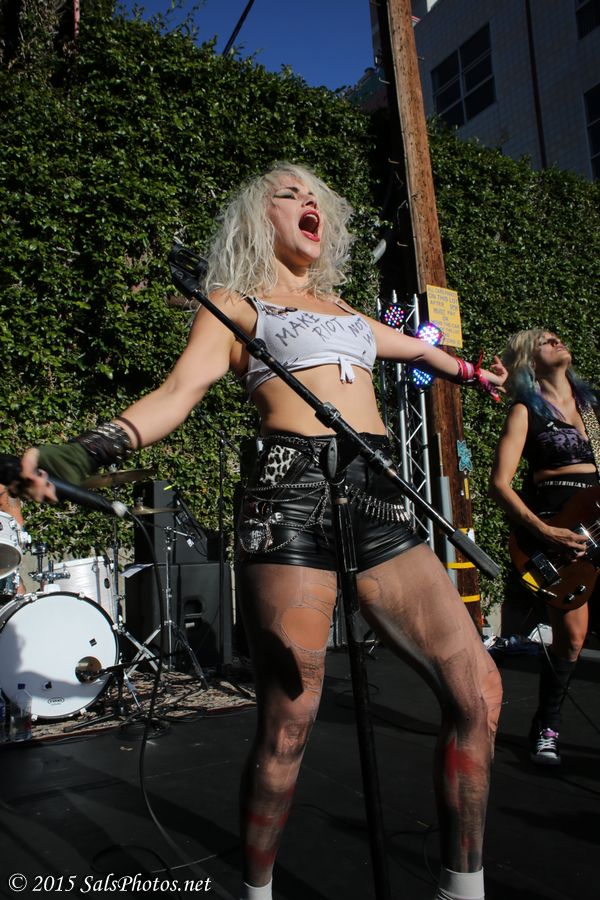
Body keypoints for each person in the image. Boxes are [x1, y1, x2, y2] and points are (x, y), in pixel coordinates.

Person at [16, 163, 503, 900]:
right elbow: (177, 392)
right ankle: (258, 890)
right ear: (258, 218)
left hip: (377, 498)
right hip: (288, 496)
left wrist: (470, 372)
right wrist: (85, 451)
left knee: (480, 691)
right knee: (291, 716)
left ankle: (462, 889)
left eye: (317, 197)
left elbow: (418, 350)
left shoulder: (346, 312)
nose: (310, 203)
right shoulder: (235, 304)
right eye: (290, 194)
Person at [489, 328, 599, 766]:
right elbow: (500, 484)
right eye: (544, 341)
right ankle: (546, 726)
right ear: (529, 361)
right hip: (557, 532)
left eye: (557, 337)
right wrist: (545, 531)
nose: (556, 342)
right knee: (571, 639)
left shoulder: (593, 409)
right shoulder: (525, 411)